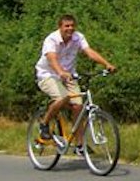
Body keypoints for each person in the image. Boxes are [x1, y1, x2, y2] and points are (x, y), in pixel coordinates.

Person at [35, 14, 117, 148]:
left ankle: (80, 145)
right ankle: (44, 124)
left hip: (69, 76)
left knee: (78, 106)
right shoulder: (51, 40)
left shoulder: (78, 37)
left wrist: (106, 64)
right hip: (48, 74)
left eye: (72, 26)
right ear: (60, 27)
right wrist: (60, 72)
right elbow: (52, 58)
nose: (70, 28)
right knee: (63, 97)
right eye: (66, 26)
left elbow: (89, 52)